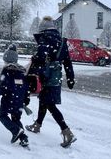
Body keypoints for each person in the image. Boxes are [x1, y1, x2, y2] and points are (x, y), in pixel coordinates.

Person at [25, 16, 77, 148]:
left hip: (45, 76)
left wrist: (32, 65)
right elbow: (68, 62)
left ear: (42, 29)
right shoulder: (61, 41)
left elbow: (40, 58)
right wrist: (70, 78)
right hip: (56, 76)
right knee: (44, 100)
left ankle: (66, 131)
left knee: (50, 104)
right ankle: (37, 125)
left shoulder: (44, 39)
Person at [0, 44, 31, 147]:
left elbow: (4, 87)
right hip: (19, 101)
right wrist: (26, 99)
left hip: (9, 100)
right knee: (16, 119)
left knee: (1, 115)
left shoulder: (6, 70)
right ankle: (24, 138)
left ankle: (15, 131)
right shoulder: (22, 71)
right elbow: (26, 87)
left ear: (6, 60)